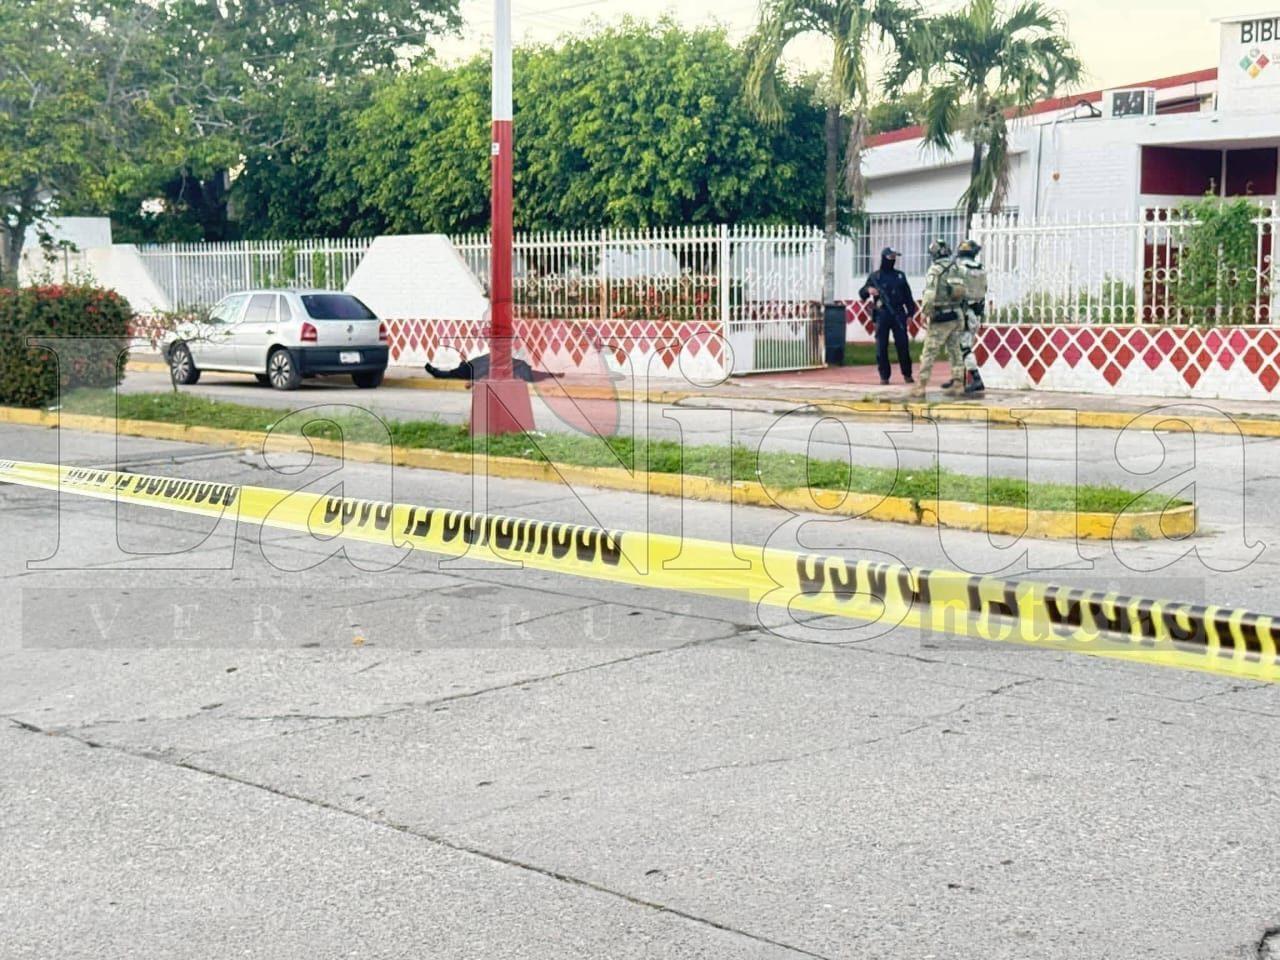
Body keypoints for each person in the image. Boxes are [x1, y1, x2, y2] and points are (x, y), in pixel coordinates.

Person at [909, 238, 965, 400]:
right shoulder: (957, 268)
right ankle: (958, 383)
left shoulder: (935, 270)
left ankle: (921, 386)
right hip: (956, 314)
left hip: (941, 316)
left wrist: (924, 312)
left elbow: (929, 293)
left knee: (929, 352)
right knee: (955, 350)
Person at [858, 246, 916, 385]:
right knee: (881, 346)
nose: (893, 260)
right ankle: (884, 376)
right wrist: (869, 290)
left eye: (894, 257)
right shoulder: (875, 276)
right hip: (882, 314)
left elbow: (908, 296)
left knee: (902, 345)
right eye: (890, 257)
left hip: (898, 314)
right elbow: (862, 293)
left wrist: (910, 314)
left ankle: (907, 374)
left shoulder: (900, 276)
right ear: (884, 258)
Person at [941, 239, 987, 395]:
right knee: (960, 346)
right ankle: (957, 377)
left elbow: (953, 291)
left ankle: (976, 379)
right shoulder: (981, 269)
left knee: (963, 347)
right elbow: (984, 291)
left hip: (963, 312)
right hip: (976, 312)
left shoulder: (959, 269)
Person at [425, 354, 560, 384]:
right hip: (484, 366)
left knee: (474, 366)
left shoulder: (523, 369)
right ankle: (446, 372)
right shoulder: (523, 366)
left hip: (481, 369)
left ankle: (441, 373)